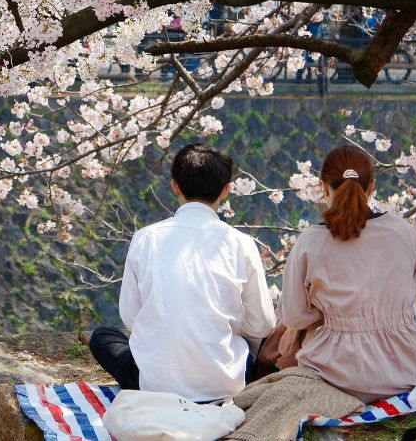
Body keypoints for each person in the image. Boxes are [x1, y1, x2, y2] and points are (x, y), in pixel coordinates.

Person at [89, 144, 277, 402]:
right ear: (226, 191)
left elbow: (132, 318)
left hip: (153, 385)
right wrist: (228, 322)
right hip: (226, 384)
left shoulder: (146, 237)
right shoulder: (241, 243)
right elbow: (263, 324)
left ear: (175, 186)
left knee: (102, 336)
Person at [274, 144, 416, 404]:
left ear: (324, 188)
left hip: (334, 374)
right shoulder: (401, 231)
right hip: (404, 369)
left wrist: (326, 311)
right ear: (371, 187)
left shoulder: (310, 242)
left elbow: (293, 316)